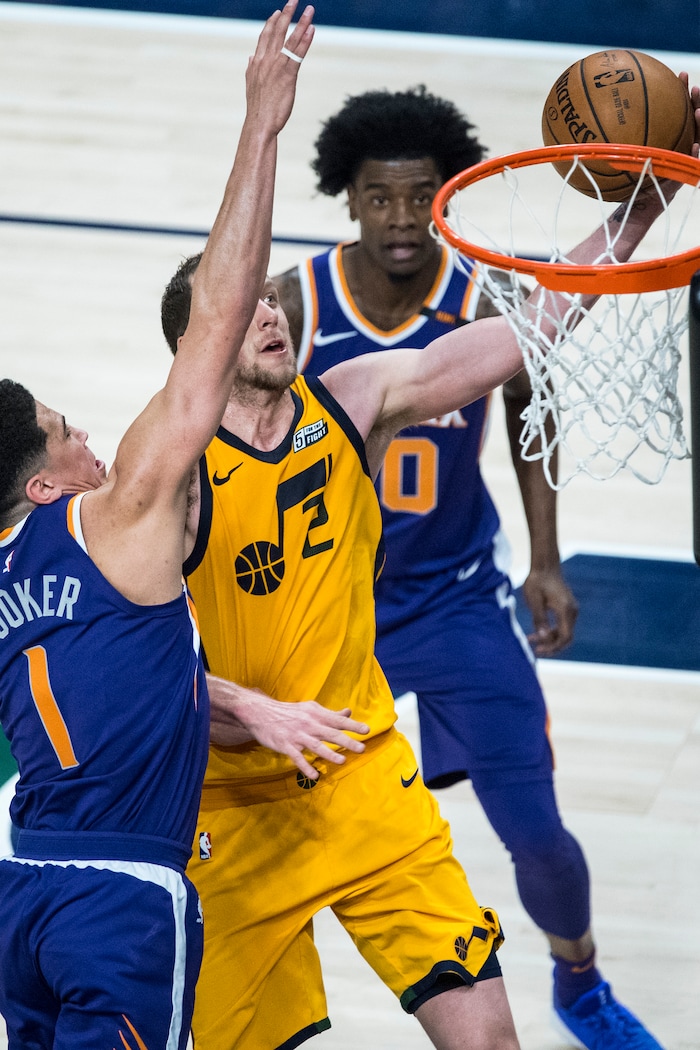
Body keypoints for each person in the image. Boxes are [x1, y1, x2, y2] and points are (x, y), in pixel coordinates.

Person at [160, 145, 684, 1050]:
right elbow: (134, 668)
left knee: (490, 1037)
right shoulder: (163, 484)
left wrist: (641, 210)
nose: (270, 317)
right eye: (242, 311)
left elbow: (533, 324)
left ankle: (580, 978)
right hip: (233, 807)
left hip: (364, 775)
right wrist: (251, 712)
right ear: (193, 349)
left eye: (269, 302)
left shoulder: (353, 398)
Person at [0, 4, 316, 1046]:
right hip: (120, 896)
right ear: (42, 488)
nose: (86, 435)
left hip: (21, 891)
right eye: (63, 433)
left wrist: (244, 707)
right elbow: (213, 329)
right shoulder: (115, 519)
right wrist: (260, 126)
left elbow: (118, 681)